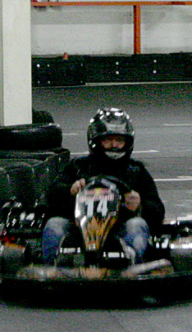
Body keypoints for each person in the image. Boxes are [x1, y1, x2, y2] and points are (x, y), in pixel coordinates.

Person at [42, 108, 165, 264]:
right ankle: (54, 267)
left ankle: (131, 265)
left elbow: (158, 211)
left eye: (119, 140)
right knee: (55, 225)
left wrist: (140, 204)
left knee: (137, 225)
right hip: (78, 233)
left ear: (127, 142)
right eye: (108, 140)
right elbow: (50, 197)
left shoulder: (136, 172)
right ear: (96, 141)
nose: (114, 145)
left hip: (120, 231)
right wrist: (70, 191)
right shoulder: (78, 168)